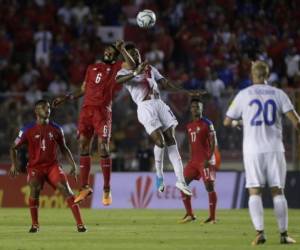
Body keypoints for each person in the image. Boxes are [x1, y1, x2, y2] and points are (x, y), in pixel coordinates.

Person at [224, 61, 300, 245]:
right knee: (278, 191)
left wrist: (238, 123)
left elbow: (227, 121)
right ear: (267, 74)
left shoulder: (243, 95)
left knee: (254, 191)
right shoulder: (279, 94)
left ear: (252, 74)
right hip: (275, 148)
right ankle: (283, 235)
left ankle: (260, 233)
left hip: (252, 150)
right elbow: (296, 121)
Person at [52, 41, 135, 205]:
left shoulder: (117, 67)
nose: (108, 52)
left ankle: (106, 189)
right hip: (86, 111)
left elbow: (132, 66)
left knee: (103, 147)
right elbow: (83, 89)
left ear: (115, 55)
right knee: (83, 145)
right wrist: (66, 97)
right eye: (107, 49)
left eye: (112, 51)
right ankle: (84, 187)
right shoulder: (91, 68)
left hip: (102, 111)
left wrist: (122, 49)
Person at [116, 43, 199, 196]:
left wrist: (186, 92)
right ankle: (159, 175)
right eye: (131, 54)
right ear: (125, 58)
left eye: (137, 52)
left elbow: (165, 83)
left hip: (159, 103)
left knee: (171, 140)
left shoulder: (150, 68)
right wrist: (135, 73)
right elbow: (117, 82)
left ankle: (180, 180)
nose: (136, 55)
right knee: (160, 142)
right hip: (145, 107)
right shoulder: (122, 72)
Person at [9, 100, 86, 233]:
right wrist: (14, 164)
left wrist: (73, 164)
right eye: (43, 108)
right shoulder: (26, 130)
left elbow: (64, 148)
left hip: (52, 166)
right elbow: (13, 147)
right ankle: (35, 225)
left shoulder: (56, 128)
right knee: (34, 188)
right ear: (36, 111)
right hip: (35, 167)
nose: (47, 110)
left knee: (66, 190)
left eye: (48, 107)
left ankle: (80, 224)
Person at [178, 98, 218, 224]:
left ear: (202, 108)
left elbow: (213, 143)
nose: (195, 108)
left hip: (206, 161)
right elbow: (191, 143)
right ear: (190, 109)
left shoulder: (207, 123)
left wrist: (209, 158)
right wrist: (190, 159)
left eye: (198, 106)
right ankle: (190, 214)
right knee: (182, 184)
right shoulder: (189, 125)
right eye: (193, 107)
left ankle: (212, 217)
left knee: (209, 187)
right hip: (194, 161)